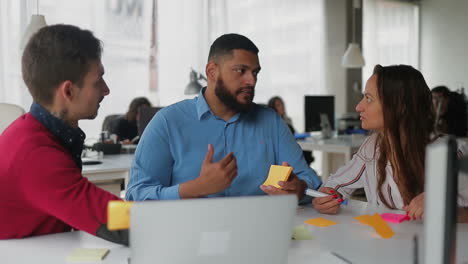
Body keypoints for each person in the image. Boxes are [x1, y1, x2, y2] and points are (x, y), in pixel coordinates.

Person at [126, 33, 321, 201]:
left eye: (255, 72)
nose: (251, 81)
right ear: (212, 71)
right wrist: (196, 188)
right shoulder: (168, 122)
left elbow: (310, 181)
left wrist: (299, 188)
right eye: (240, 71)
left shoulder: (271, 122)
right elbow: (136, 196)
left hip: (260, 233)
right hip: (188, 235)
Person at [0, 24, 127, 244]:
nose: (106, 90)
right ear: (68, 91)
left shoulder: (30, 131)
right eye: (98, 81)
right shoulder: (36, 155)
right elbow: (117, 221)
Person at [312, 64, 468, 221]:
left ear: (401, 106)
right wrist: (326, 197)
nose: (359, 106)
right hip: (387, 242)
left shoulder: (452, 152)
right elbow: (335, 185)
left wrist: (443, 206)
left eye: (369, 99)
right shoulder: (372, 147)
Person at [268, 96, 314, 164]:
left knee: (307, 151)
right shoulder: (272, 123)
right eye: (278, 105)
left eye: (282, 104)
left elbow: (294, 134)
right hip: (284, 150)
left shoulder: (287, 120)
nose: (282, 106)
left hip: (292, 145)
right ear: (273, 108)